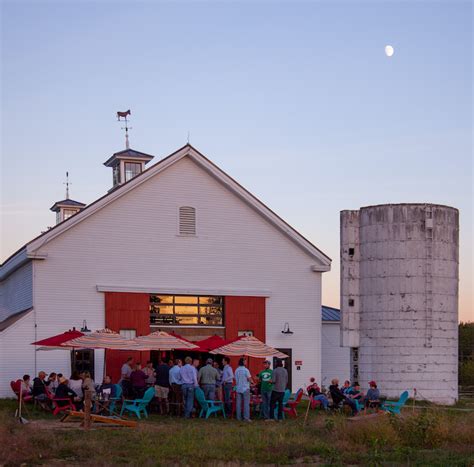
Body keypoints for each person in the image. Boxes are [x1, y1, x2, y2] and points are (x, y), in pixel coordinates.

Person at [234, 358, 252, 422]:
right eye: (245, 361)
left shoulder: (236, 370)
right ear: (243, 362)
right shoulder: (246, 370)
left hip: (238, 388)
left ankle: (238, 417)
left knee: (238, 404)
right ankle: (246, 418)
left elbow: (235, 379)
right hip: (245, 388)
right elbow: (249, 379)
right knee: (246, 404)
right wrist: (252, 382)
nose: (246, 362)